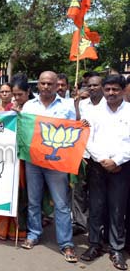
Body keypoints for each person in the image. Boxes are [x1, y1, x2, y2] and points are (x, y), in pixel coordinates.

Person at [20, 71, 78, 263]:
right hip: (33, 161)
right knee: (33, 200)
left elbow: (75, 130)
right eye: (42, 83)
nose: (45, 87)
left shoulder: (67, 106)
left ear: (56, 85)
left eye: (49, 84)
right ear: (38, 85)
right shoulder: (29, 105)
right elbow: (23, 130)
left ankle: (66, 243)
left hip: (56, 162)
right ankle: (33, 234)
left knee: (61, 204)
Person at [81, 75, 130, 270]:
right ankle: (94, 244)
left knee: (118, 209)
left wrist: (117, 161)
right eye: (108, 89)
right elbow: (87, 139)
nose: (111, 93)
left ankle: (116, 248)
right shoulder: (93, 112)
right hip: (97, 165)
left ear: (123, 90)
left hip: (122, 166)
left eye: (115, 89)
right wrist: (104, 161)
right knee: (96, 207)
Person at [0, 74, 31, 240]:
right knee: (6, 190)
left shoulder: (33, 108)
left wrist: (22, 116)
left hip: (26, 156)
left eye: (19, 94)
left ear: (28, 93)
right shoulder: (8, 110)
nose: (16, 98)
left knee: (23, 194)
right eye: (15, 95)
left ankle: (21, 230)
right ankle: (1, 228)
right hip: (9, 155)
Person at [71, 75, 105, 235]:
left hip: (101, 155)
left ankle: (99, 226)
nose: (92, 88)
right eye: (89, 85)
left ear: (102, 87)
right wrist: (76, 105)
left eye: (95, 85)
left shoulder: (109, 105)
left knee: (98, 193)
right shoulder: (83, 104)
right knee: (79, 190)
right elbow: (76, 122)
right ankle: (79, 223)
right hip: (82, 153)